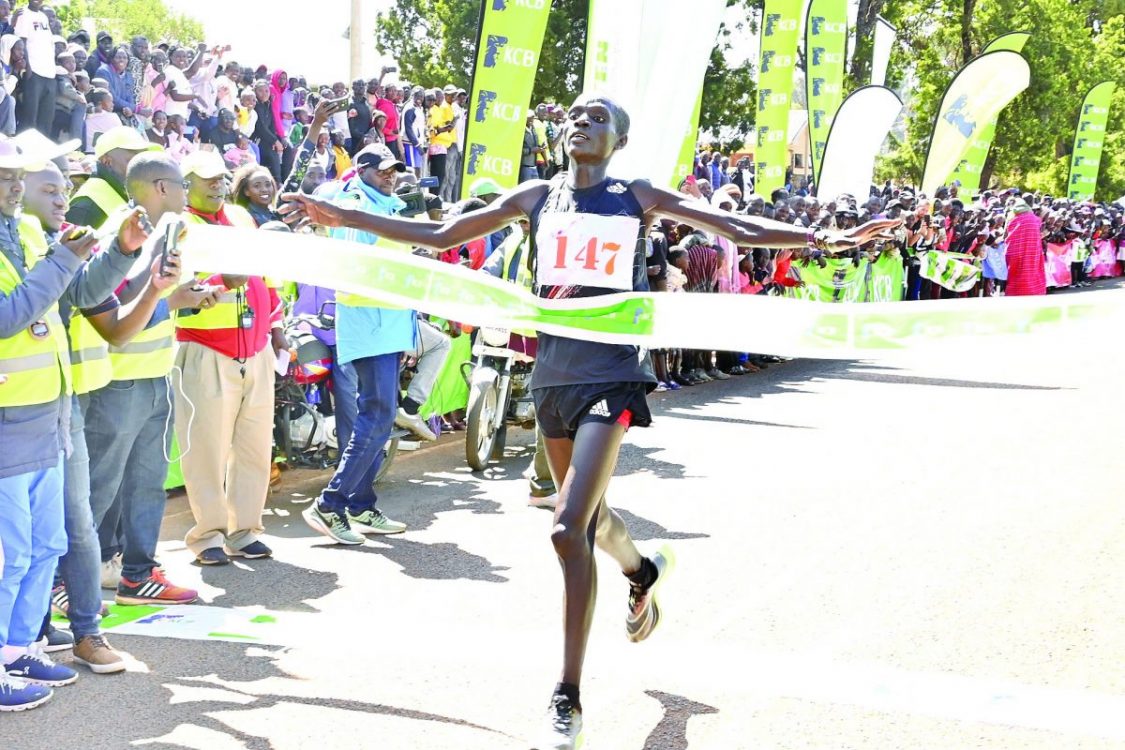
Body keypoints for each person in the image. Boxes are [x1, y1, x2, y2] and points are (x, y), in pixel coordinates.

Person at [280, 93, 895, 749]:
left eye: (598, 117)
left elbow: (734, 227)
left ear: (618, 140)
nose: (582, 121)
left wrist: (820, 237)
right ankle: (641, 571)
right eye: (576, 114)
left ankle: (566, 699)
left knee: (566, 527)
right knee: (591, 515)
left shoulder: (634, 194)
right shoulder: (535, 197)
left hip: (612, 373)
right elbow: (438, 235)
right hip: (554, 377)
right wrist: (336, 213)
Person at [85, 153, 214, 609]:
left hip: (154, 376)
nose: (186, 192)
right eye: (181, 184)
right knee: (99, 488)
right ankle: (70, 580)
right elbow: (112, 311)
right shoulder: (124, 234)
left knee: (146, 484)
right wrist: (172, 298)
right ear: (160, 187)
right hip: (118, 382)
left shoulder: (165, 233)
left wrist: (183, 300)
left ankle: (137, 575)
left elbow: (150, 301)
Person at [0, 136, 96, 711]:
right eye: (4, 178)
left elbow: (74, 293)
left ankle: (19, 648)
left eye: (17, 177)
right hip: (8, 420)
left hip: (49, 413)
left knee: (43, 546)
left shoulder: (27, 232)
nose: (14, 187)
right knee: (8, 553)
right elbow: (8, 317)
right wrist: (64, 259)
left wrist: (104, 253)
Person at [174, 149, 284, 566]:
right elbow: (177, 290)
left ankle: (245, 530)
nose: (218, 185)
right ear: (187, 186)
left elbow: (265, 277)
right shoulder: (180, 226)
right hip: (207, 350)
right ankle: (207, 537)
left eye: (221, 178)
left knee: (255, 447)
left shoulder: (240, 217)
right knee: (205, 451)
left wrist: (276, 326)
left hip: (253, 348)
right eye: (207, 179)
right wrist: (222, 280)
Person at [300, 143, 412, 546]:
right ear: (361, 170)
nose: (391, 175)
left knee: (380, 414)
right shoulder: (352, 204)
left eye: (394, 170)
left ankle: (361, 504)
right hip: (369, 323)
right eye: (383, 170)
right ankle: (330, 503)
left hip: (390, 323)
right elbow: (363, 261)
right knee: (378, 414)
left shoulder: (390, 205)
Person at [12, 0, 55, 134]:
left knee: (46, 118)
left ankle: (42, 153)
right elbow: (21, 42)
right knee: (29, 118)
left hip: (49, 73)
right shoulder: (23, 13)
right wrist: (28, 68)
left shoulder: (43, 16)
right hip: (34, 72)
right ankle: (24, 151)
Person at [1004, 199, 1046, 296]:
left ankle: (1013, 293)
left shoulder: (1012, 220)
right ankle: (1033, 292)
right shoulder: (1036, 220)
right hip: (1033, 252)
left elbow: (1005, 237)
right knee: (1031, 273)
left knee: (1014, 274)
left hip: (1014, 252)